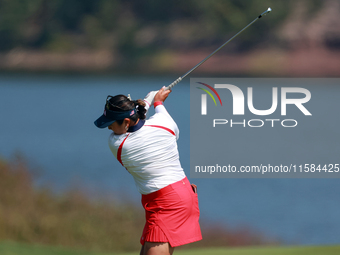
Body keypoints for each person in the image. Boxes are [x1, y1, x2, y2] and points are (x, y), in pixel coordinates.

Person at [94, 87, 202, 255]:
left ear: (126, 123)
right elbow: (150, 112)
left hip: (167, 202)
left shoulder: (118, 145)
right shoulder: (165, 122)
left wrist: (149, 99)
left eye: (111, 124)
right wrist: (157, 100)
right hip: (179, 192)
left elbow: (142, 109)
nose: (109, 129)